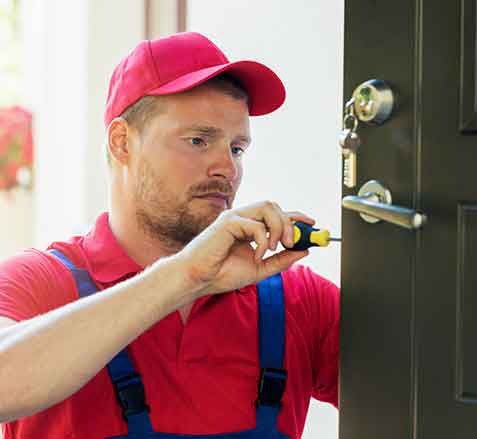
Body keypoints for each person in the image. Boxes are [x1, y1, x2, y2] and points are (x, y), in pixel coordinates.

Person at [0, 32, 339, 439]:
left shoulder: (298, 301)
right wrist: (185, 276)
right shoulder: (37, 284)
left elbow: (410, 393)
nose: (227, 169)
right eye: (198, 141)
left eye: (236, 148)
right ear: (122, 143)